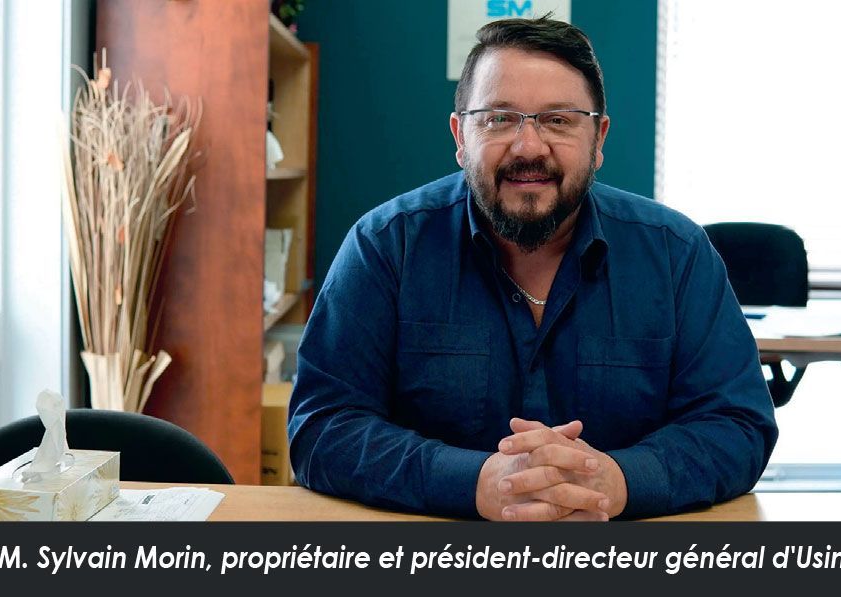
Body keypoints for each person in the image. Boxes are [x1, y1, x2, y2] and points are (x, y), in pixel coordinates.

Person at [287, 16, 777, 521]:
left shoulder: (676, 252)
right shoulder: (387, 244)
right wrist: (473, 482)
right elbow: (322, 427)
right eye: (499, 118)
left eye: (558, 120)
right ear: (460, 135)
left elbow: (737, 424)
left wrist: (618, 480)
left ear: (599, 137)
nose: (528, 147)